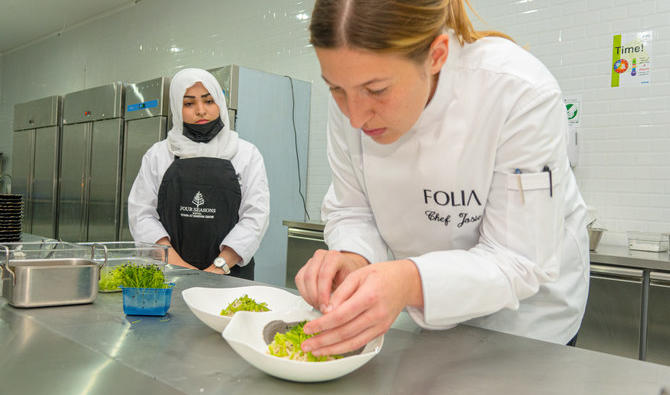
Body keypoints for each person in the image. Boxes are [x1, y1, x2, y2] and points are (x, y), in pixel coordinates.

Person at [295, 0, 589, 357]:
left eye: (376, 90)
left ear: (436, 55)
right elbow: (353, 208)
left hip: (527, 321)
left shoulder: (518, 92)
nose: (355, 117)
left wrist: (406, 281)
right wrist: (354, 256)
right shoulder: (354, 88)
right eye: (335, 89)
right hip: (426, 312)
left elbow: (517, 259)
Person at [128, 68, 270, 280]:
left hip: (230, 274)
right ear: (177, 108)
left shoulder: (246, 153)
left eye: (208, 101)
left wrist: (218, 267)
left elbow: (255, 217)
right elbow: (142, 216)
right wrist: (181, 268)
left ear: (219, 103)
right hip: (169, 273)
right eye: (189, 103)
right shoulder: (158, 155)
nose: (201, 110)